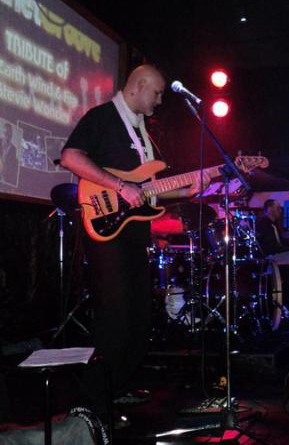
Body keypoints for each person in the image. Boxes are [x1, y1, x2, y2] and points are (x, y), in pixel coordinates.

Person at [60, 64, 211, 421]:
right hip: (106, 229)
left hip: (134, 234)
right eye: (157, 93)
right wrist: (119, 186)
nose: (159, 101)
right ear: (139, 85)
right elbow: (70, 157)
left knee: (140, 321)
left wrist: (188, 190)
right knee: (115, 318)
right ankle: (90, 406)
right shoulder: (102, 117)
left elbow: (146, 191)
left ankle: (115, 389)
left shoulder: (145, 136)